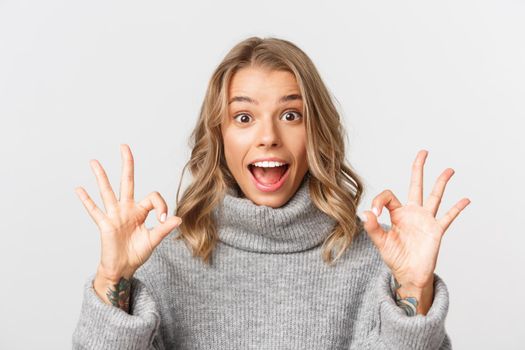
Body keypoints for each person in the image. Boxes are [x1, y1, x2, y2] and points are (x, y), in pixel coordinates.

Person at [72, 36, 470, 349]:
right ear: (219, 136)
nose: (268, 137)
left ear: (316, 132)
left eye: (291, 115)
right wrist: (114, 277)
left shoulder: (377, 264)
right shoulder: (164, 262)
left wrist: (415, 288)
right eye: (243, 117)